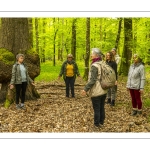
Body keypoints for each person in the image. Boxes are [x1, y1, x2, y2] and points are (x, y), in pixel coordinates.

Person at [81, 48, 107, 128]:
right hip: (104, 89)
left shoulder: (95, 66)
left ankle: (96, 124)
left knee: (97, 108)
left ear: (96, 55)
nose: (91, 55)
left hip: (97, 90)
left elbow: (92, 80)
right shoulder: (103, 63)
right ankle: (101, 122)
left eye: (92, 54)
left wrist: (85, 89)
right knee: (101, 107)